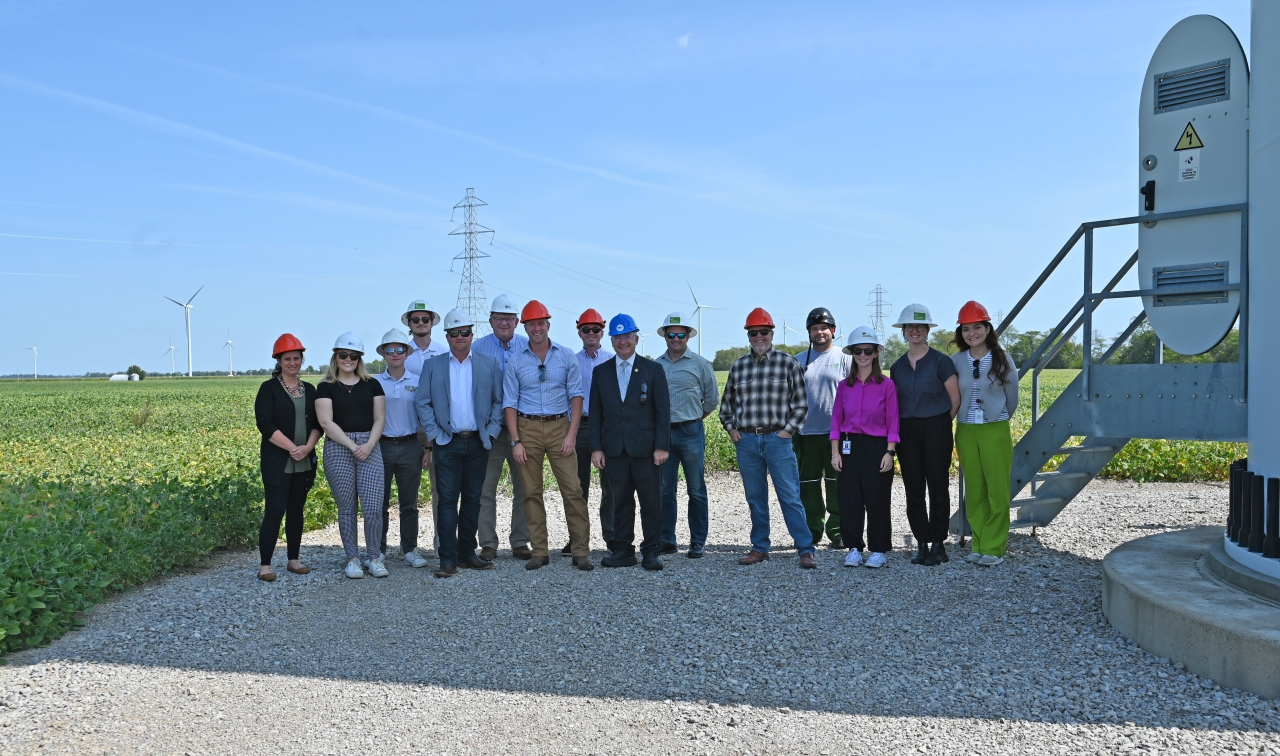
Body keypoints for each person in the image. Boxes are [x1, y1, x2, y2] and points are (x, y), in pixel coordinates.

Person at [718, 307, 817, 569]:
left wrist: (787, 431)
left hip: (777, 439)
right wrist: (732, 430)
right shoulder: (738, 366)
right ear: (748, 335)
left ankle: (805, 549)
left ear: (772, 333)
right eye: (753, 333)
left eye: (763, 331)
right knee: (755, 497)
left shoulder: (787, 363)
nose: (758, 336)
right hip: (747, 442)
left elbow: (801, 404)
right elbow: (726, 406)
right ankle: (760, 547)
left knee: (790, 495)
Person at [503, 299, 594, 571]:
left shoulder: (566, 356)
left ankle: (581, 551)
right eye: (531, 324)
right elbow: (510, 403)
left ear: (548, 324)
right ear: (525, 326)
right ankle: (540, 551)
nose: (536, 329)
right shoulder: (515, 361)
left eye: (540, 323)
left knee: (573, 490)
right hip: (527, 428)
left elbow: (576, 396)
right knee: (531, 493)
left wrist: (571, 435)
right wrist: (516, 441)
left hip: (559, 428)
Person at [416, 309, 505, 578]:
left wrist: (490, 433)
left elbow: (498, 402)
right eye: (454, 333)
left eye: (464, 332)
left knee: (473, 499)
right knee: (446, 501)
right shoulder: (433, 366)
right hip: (447, 442)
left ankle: (467, 553)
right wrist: (434, 433)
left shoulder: (488, 364)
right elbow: (423, 401)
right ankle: (447, 558)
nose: (459, 338)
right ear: (448, 336)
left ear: (471, 334)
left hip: (478, 442)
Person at [590, 314, 671, 571]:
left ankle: (651, 551)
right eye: (618, 337)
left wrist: (662, 446)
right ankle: (623, 549)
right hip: (614, 448)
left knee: (650, 500)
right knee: (620, 500)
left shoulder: (653, 370)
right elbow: (596, 414)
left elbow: (663, 411)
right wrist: (596, 448)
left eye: (627, 336)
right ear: (611, 341)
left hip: (646, 449)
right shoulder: (600, 372)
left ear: (636, 339)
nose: (623, 341)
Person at [889, 304, 961, 566]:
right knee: (914, 488)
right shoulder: (897, 367)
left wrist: (940, 425)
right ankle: (921, 542)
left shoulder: (942, 361)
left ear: (927, 330)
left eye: (920, 326)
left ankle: (939, 545)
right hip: (907, 430)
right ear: (904, 331)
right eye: (910, 326)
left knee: (938, 487)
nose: (915, 330)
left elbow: (955, 401)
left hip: (936, 427)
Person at [951, 301, 1019, 567]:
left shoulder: (1002, 357)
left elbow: (1011, 398)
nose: (972, 334)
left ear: (987, 328)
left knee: (997, 489)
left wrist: (999, 416)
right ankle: (978, 543)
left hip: (995, 429)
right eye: (966, 329)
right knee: (975, 489)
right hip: (966, 430)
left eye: (977, 327)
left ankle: (994, 546)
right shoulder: (956, 361)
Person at [315, 333, 388, 579]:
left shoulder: (372, 384)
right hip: (339, 446)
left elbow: (380, 419)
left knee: (373, 507)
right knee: (346, 507)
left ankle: (374, 557)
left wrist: (368, 445)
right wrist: (351, 444)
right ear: (335, 357)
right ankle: (352, 558)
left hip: (370, 445)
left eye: (353, 356)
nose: (348, 359)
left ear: (360, 359)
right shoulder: (325, 387)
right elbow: (326, 421)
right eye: (343, 355)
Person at [253, 334, 322, 581]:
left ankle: (294, 560)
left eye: (296, 358)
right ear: (278, 361)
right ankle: (265, 566)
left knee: (296, 510)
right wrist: (293, 447)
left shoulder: (310, 390)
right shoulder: (268, 389)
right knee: (274, 510)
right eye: (287, 359)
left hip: (304, 460)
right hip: (278, 461)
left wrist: (307, 447)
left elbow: (318, 424)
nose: (292, 363)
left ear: (302, 360)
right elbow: (265, 424)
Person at [830, 326, 900, 569]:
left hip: (877, 446)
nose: (862, 355)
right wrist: (835, 453)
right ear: (852, 353)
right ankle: (854, 548)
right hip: (849, 446)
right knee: (850, 498)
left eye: (867, 350)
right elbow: (836, 421)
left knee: (877, 499)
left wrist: (889, 452)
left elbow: (893, 420)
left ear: (875, 353)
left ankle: (879, 549)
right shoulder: (843, 386)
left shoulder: (886, 385)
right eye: (858, 350)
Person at [472, 294, 533, 560]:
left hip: (523, 426)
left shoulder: (529, 347)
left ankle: (520, 541)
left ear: (517, 321)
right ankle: (488, 543)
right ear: (491, 321)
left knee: (524, 487)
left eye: (509, 318)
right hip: (491, 429)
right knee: (486, 487)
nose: (504, 323)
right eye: (499, 318)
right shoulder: (478, 349)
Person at [655, 312, 719, 558]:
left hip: (691, 432)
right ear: (665, 337)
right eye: (671, 334)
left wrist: (694, 419)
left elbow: (712, 400)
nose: (676, 339)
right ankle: (667, 540)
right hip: (663, 436)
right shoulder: (656, 365)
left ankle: (697, 541)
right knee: (665, 490)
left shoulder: (700, 364)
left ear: (688, 336)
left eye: (681, 334)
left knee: (696, 489)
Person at [794, 307, 851, 549]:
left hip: (836, 432)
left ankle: (837, 530)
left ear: (833, 331)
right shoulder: (798, 360)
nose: (819, 332)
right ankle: (811, 530)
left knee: (836, 481)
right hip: (805, 432)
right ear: (809, 332)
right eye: (814, 328)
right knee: (807, 483)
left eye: (823, 328)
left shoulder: (845, 358)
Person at [373, 328, 430, 568]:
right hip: (382, 447)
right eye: (390, 350)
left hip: (410, 446)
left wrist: (428, 448)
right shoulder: (374, 383)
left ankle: (410, 549)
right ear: (383, 355)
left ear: (407, 354)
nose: (395, 354)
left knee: (409, 502)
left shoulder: (418, 382)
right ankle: (378, 550)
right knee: (380, 503)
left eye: (399, 350)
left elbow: (425, 417)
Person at [564, 308, 615, 556]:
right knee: (577, 486)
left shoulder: (614, 359)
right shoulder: (570, 360)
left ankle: (612, 536)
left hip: (608, 426)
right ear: (579, 331)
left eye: (596, 329)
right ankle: (576, 538)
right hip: (580, 425)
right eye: (586, 329)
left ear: (602, 331)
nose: (591, 333)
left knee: (611, 485)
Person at [401, 298, 449, 376]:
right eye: (416, 320)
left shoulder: (444, 353)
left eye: (425, 319)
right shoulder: (401, 355)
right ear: (409, 323)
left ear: (432, 322)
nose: (421, 323)